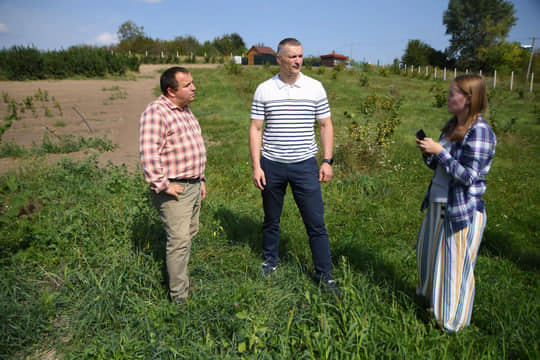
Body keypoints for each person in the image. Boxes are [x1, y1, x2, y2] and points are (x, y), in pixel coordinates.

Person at [249, 38, 337, 292]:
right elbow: (256, 128)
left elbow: (325, 125)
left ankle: (324, 274)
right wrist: (257, 166)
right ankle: (269, 262)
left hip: (305, 165)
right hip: (272, 165)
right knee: (271, 219)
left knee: (315, 222)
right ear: (279, 59)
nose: (297, 60)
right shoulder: (264, 89)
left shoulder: (315, 88)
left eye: (300, 56)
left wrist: (327, 160)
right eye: (291, 57)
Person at [415, 74, 496, 332]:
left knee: (455, 268)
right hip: (438, 203)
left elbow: (468, 177)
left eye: (452, 94)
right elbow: (442, 166)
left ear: (469, 99)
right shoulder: (452, 126)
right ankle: (434, 308)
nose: (448, 98)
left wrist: (441, 152)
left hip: (462, 209)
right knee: (431, 260)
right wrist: (430, 153)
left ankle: (452, 325)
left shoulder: (480, 132)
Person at [139, 66, 207, 302]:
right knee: (178, 242)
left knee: (188, 235)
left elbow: (193, 146)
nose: (193, 88)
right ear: (170, 90)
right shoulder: (156, 112)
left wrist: (201, 179)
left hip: (193, 184)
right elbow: (149, 153)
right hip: (174, 189)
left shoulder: (185, 110)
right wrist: (163, 184)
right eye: (187, 85)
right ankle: (179, 299)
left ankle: (182, 283)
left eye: (192, 83)